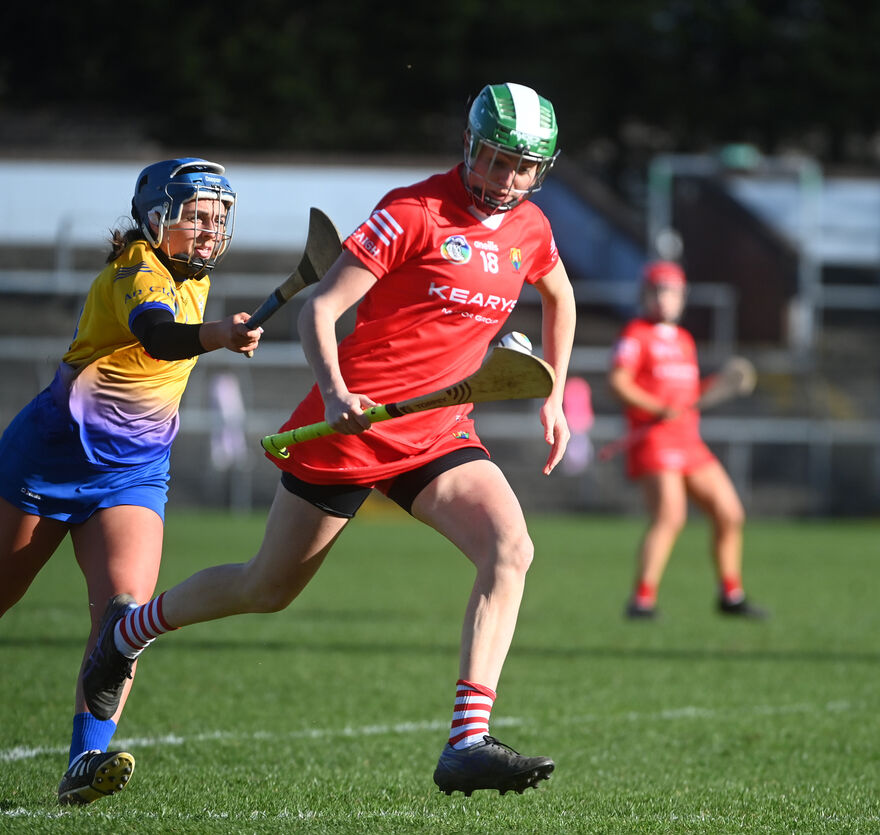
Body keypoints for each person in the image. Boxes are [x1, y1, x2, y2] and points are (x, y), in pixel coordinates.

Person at [80, 82, 577, 797]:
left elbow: (558, 293)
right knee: (265, 587)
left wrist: (555, 391)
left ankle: (467, 738)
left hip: (438, 430)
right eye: (496, 161)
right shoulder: (414, 210)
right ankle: (127, 633)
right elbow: (322, 308)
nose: (508, 181)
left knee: (511, 547)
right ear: (470, 147)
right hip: (354, 426)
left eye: (523, 168)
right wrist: (340, 392)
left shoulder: (531, 228)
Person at [0, 158, 263, 805]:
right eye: (197, 215)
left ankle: (85, 760)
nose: (211, 229)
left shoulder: (196, 273)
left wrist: (214, 329)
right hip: (49, 458)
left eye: (219, 217)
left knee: (123, 616)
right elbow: (158, 336)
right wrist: (216, 335)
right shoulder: (138, 268)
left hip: (131, 473)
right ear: (157, 218)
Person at [608, 260, 767, 620]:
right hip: (654, 440)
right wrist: (657, 406)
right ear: (645, 295)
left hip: (689, 441)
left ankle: (731, 595)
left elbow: (690, 395)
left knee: (729, 513)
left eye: (672, 291)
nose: (664, 298)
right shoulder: (636, 334)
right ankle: (641, 600)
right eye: (657, 290)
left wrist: (723, 384)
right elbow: (618, 383)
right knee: (670, 516)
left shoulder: (684, 340)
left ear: (682, 297)